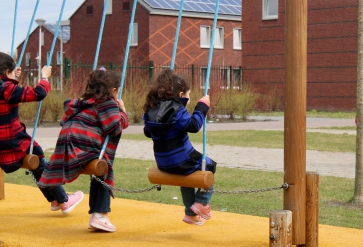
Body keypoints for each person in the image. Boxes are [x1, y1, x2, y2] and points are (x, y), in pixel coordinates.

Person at [39, 68, 129, 232]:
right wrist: (122, 111)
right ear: (114, 90)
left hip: (65, 149)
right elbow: (113, 127)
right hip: (80, 148)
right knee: (103, 167)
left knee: (100, 168)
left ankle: (96, 214)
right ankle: (100, 214)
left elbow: (63, 121)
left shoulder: (81, 103)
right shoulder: (107, 102)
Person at [0, 51, 84, 214]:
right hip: (11, 138)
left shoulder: (6, 87)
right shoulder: (7, 89)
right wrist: (44, 77)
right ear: (5, 73)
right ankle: (63, 200)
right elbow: (38, 93)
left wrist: (13, 77)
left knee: (35, 157)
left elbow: (8, 91)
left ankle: (54, 199)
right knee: (37, 155)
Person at [142, 69, 217, 226]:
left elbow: (148, 132)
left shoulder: (151, 109)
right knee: (210, 165)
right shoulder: (177, 110)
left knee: (187, 177)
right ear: (182, 94)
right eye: (188, 95)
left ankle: (191, 214)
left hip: (162, 161)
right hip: (181, 159)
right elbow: (194, 125)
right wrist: (202, 107)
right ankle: (201, 203)